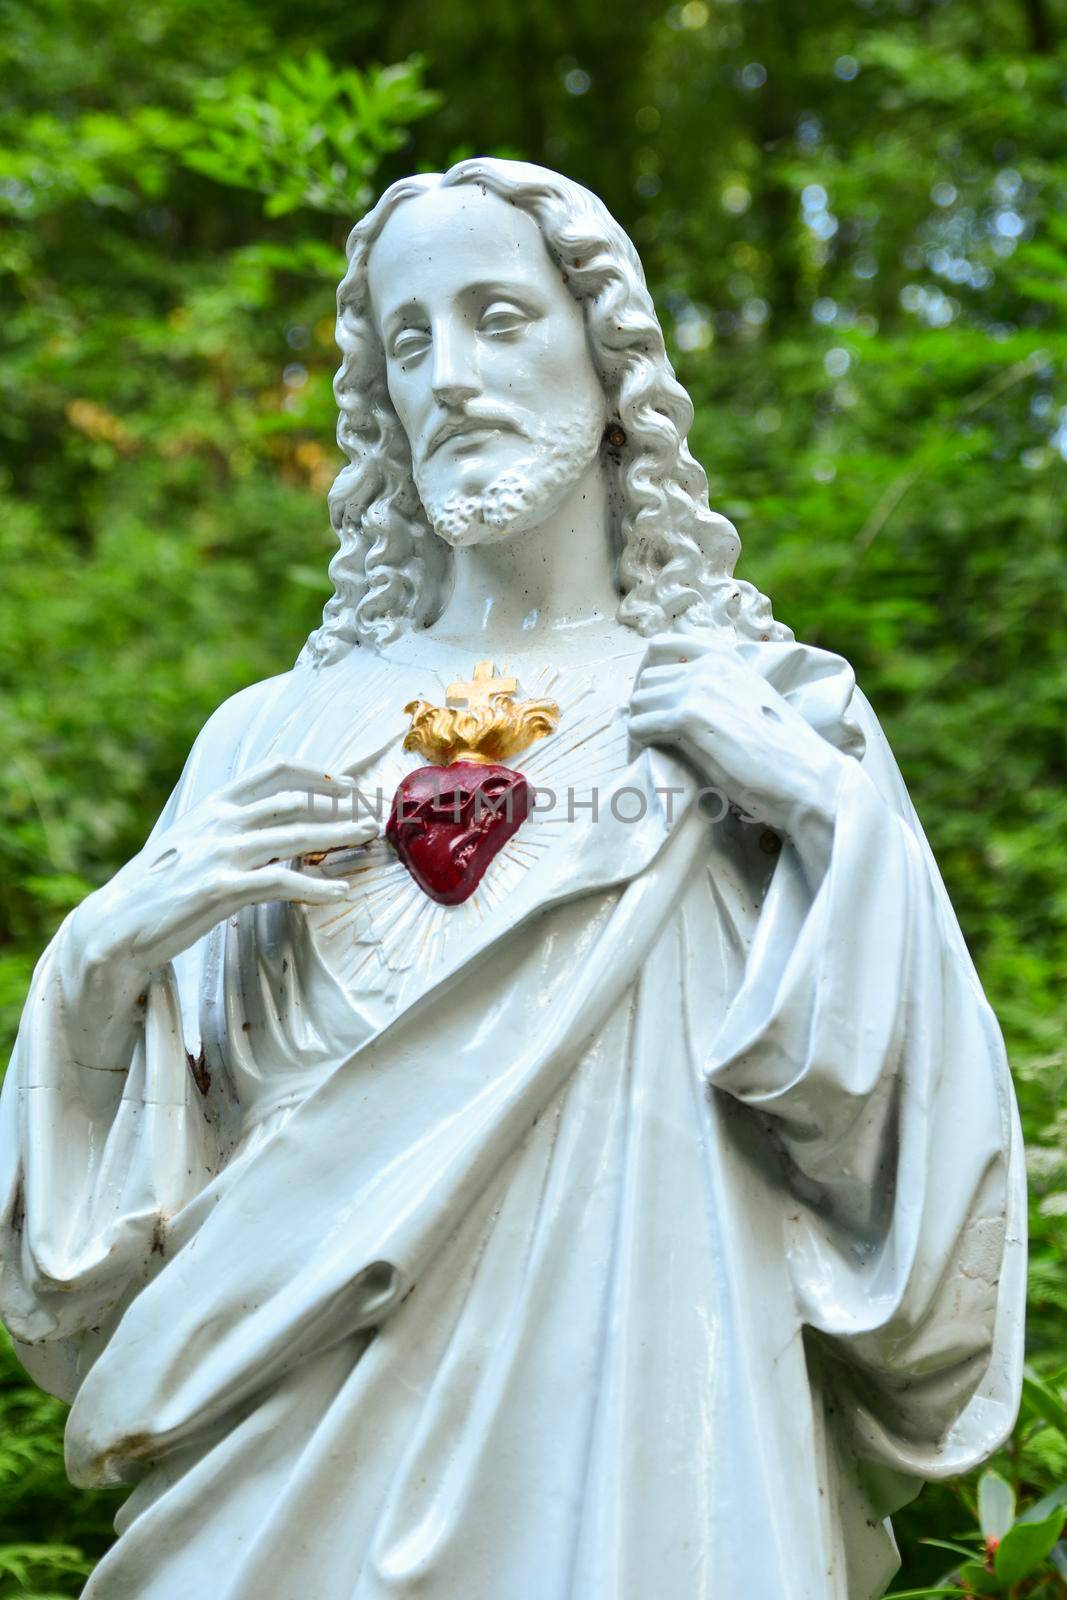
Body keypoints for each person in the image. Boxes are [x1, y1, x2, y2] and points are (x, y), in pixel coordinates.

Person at [0, 159, 1025, 1600]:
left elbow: (906, 1130)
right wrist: (102, 964)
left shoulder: (773, 711)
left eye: (499, 318)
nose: (454, 378)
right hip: (287, 1468)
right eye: (410, 342)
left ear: (610, 368)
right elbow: (116, 1230)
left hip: (657, 1419)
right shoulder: (267, 737)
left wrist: (820, 815)